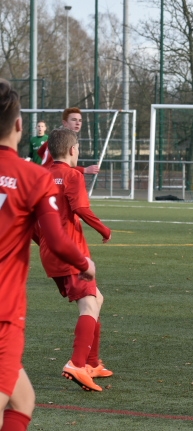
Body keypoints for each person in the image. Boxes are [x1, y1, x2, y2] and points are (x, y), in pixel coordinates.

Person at [0, 79, 96, 431]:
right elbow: (56, 236)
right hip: (2, 313)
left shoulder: (40, 173)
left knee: (23, 397)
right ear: (19, 126)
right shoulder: (31, 177)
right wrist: (84, 261)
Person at [38, 128, 113, 391]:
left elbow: (34, 220)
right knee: (89, 306)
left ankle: (92, 362)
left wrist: (45, 245)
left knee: (97, 299)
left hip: (50, 252)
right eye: (78, 147)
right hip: (71, 252)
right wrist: (104, 230)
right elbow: (81, 208)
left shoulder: (41, 175)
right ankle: (77, 363)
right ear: (72, 150)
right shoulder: (71, 175)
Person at [36, 107, 99, 174]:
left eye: (80, 120)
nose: (78, 123)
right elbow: (59, 164)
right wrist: (84, 170)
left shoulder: (58, 137)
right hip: (50, 176)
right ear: (65, 123)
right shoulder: (60, 140)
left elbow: (40, 151)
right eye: (74, 120)